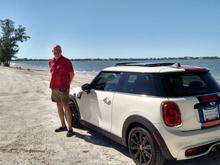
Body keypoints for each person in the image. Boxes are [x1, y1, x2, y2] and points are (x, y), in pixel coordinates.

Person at [49, 44, 75, 137]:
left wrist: (68, 84)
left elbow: (72, 74)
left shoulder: (66, 61)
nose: (56, 53)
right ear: (52, 52)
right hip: (54, 88)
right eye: (54, 51)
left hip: (64, 88)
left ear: (61, 51)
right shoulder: (50, 61)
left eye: (58, 51)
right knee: (58, 106)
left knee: (66, 107)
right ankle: (63, 125)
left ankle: (70, 129)